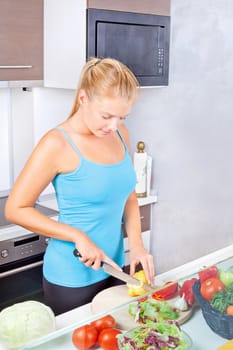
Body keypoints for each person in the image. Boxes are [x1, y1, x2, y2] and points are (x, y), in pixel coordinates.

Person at [5, 57, 155, 315]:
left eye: (122, 116)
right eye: (107, 116)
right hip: (71, 278)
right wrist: (77, 236)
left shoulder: (120, 134)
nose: (114, 126)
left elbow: (128, 196)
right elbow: (16, 208)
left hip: (115, 267)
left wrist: (138, 245)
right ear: (84, 99)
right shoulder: (56, 144)